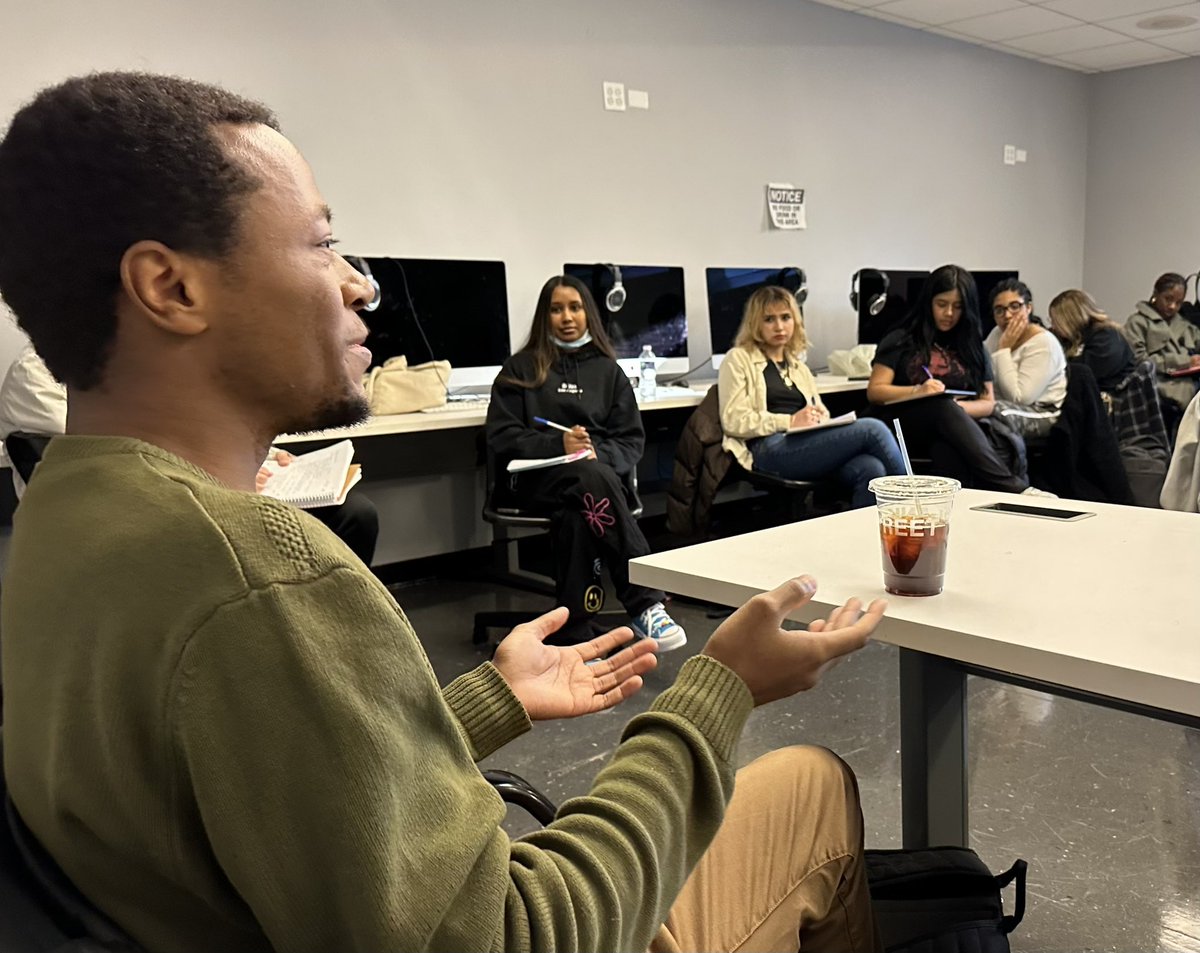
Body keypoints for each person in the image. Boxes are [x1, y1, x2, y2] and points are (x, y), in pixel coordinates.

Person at [0, 72, 888, 953]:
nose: (361, 286)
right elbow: (516, 937)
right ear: (170, 287)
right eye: (323, 245)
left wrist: (486, 700)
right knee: (809, 786)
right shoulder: (262, 578)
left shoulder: (69, 509)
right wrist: (719, 689)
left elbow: (274, 785)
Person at [0, 341, 380, 566]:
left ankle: (324, 626)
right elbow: (132, 443)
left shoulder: (143, 362)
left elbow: (198, 426)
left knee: (352, 514)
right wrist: (225, 470)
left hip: (186, 495)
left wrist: (265, 456)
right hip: (121, 514)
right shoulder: (36, 374)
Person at [487, 275, 685, 650]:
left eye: (575, 307)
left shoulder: (609, 372)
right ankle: (645, 603)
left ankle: (576, 633)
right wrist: (556, 443)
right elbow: (501, 438)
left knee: (581, 508)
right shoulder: (520, 369)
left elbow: (630, 441)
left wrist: (598, 453)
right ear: (544, 317)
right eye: (556, 308)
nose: (566, 317)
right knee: (589, 480)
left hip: (594, 487)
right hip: (536, 482)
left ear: (588, 314)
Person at [718, 284, 905, 507]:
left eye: (785, 317)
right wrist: (789, 421)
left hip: (805, 442)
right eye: (769, 319)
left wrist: (819, 419)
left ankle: (870, 537)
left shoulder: (799, 367)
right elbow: (732, 420)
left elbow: (818, 409)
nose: (779, 326)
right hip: (767, 448)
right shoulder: (738, 359)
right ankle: (917, 508)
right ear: (755, 323)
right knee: (873, 429)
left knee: (871, 468)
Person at [867, 264, 1030, 494]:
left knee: (948, 451)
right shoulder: (901, 339)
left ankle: (957, 518)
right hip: (905, 424)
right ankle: (1014, 488)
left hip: (951, 429)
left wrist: (956, 410)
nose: (949, 313)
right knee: (940, 406)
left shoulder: (973, 346)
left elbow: (987, 402)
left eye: (957, 307)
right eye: (942, 305)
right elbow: (875, 391)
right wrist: (918, 392)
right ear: (929, 303)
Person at [983, 278, 1067, 439]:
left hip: (1043, 412)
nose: (1007, 315)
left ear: (1028, 308)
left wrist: (1004, 349)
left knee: (991, 413)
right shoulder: (996, 334)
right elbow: (981, 370)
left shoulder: (1043, 342)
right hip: (1001, 403)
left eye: (1015, 307)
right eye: (999, 310)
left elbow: (1019, 399)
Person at [1122, 272, 1200, 423]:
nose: (1172, 307)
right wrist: (1185, 362)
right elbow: (1139, 361)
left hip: (1189, 381)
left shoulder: (1184, 324)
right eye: (1168, 299)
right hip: (1158, 382)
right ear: (1156, 294)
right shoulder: (1137, 323)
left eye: (1178, 302)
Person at [1047, 289, 1135, 392]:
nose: (1053, 326)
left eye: (1056, 321)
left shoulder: (1107, 339)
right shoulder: (1073, 338)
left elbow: (1078, 376)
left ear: (1071, 319)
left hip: (1112, 400)